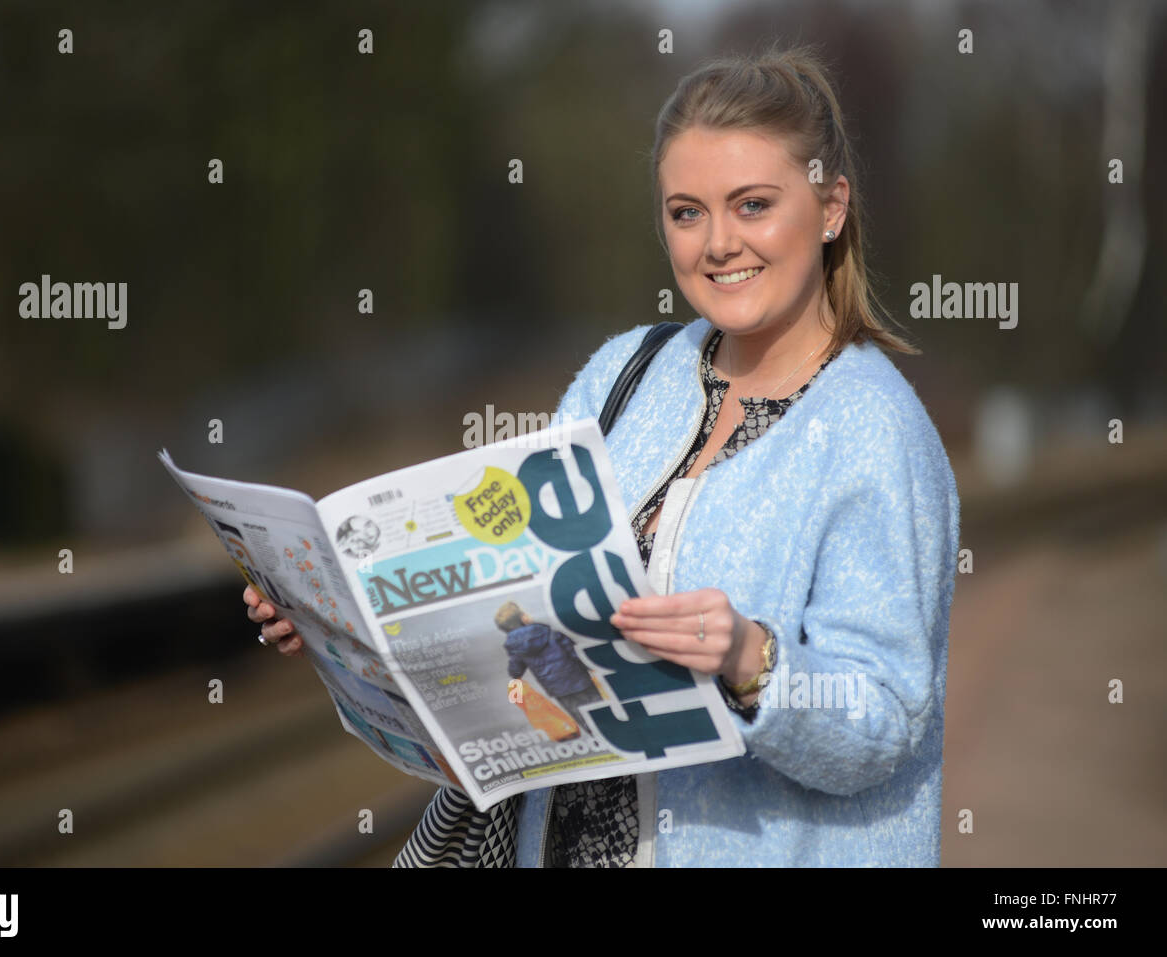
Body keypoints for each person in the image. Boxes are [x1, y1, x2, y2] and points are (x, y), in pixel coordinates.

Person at [246, 43, 959, 867]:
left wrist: (749, 658)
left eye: (753, 204)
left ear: (831, 207)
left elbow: (887, 719)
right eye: (687, 212)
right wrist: (341, 618)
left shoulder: (878, 430)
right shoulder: (625, 372)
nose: (719, 242)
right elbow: (507, 589)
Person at [493, 600, 605, 731]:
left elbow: (515, 671)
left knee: (580, 716)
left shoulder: (515, 648)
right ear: (524, 618)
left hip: (557, 690)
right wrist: (591, 667)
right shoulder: (552, 634)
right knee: (601, 709)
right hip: (580, 681)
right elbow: (575, 654)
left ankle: (598, 738)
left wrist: (515, 673)